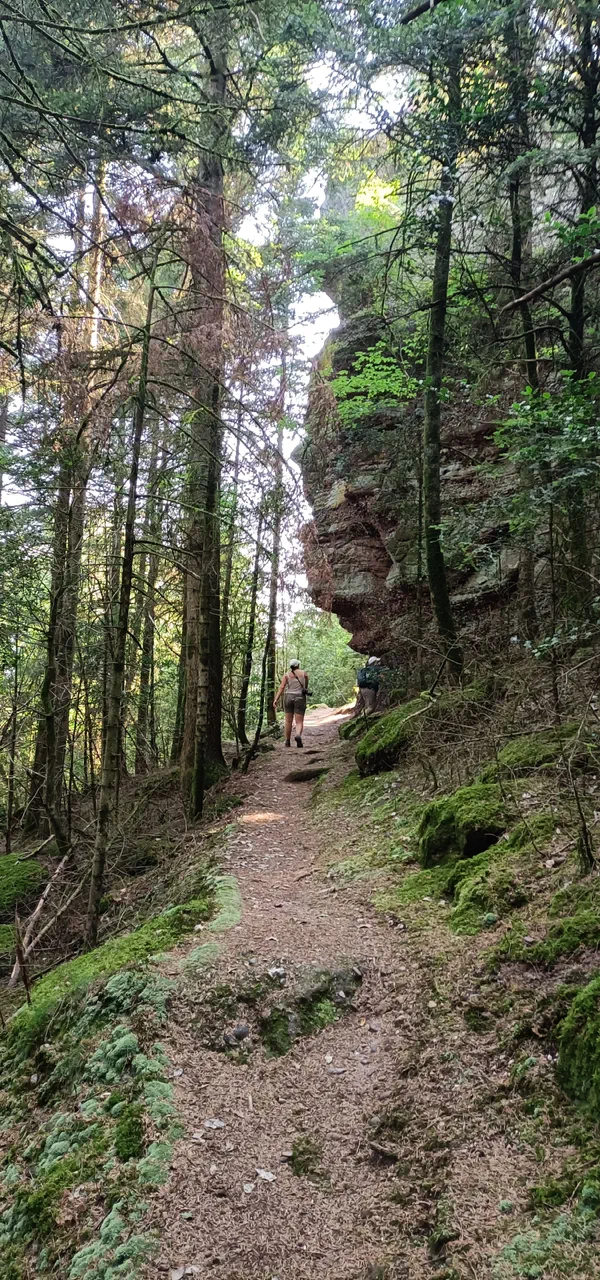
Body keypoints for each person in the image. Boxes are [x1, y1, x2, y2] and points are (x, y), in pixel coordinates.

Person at [274, 659, 309, 748]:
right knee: (299, 721)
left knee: (288, 721)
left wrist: (276, 699)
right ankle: (298, 735)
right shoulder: (304, 673)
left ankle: (287, 741)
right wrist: (304, 689)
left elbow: (282, 687)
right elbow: (306, 685)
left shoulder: (286, 675)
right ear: (298, 665)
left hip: (288, 697)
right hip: (300, 697)